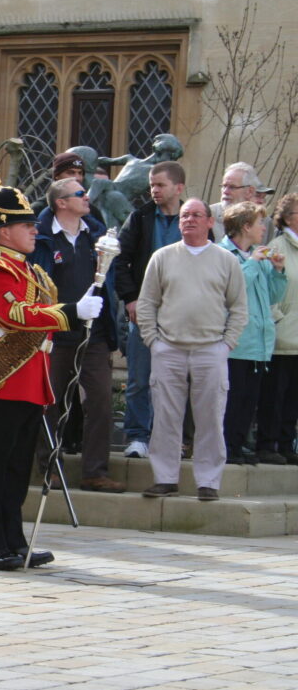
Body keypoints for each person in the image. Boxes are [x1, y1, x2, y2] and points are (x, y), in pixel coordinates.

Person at [0, 183, 103, 571]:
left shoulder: (33, 270)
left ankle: (14, 541)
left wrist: (79, 306)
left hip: (30, 376)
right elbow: (16, 316)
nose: (33, 231)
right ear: (4, 230)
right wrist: (71, 311)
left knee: (16, 468)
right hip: (3, 375)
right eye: (26, 226)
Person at [137, 199, 248, 501]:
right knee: (165, 416)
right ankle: (165, 477)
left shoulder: (226, 260)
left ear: (210, 222)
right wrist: (153, 342)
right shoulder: (162, 257)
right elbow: (147, 304)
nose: (189, 220)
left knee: (210, 417)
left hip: (210, 349)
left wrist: (227, 344)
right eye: (185, 215)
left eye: (197, 215)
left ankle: (209, 481)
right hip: (168, 348)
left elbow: (238, 307)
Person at [28, 179, 124, 493]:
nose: (87, 198)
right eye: (80, 194)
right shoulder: (41, 237)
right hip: (53, 333)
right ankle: (49, 468)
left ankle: (95, 471)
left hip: (93, 335)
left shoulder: (96, 234)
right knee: (50, 403)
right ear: (61, 203)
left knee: (100, 400)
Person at [112, 160, 186, 459]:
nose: (154, 190)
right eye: (152, 185)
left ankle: (167, 437)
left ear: (178, 188)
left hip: (183, 315)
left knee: (175, 382)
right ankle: (138, 436)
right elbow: (120, 260)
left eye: (160, 185)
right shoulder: (140, 218)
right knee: (140, 378)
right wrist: (130, 298)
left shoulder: (193, 219)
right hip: (145, 312)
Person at [217, 202, 286, 464]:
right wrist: (252, 264)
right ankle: (226, 447)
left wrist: (278, 271)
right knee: (232, 398)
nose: (263, 229)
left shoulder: (257, 255)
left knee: (248, 399)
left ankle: (237, 444)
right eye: (259, 223)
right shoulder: (223, 253)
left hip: (258, 342)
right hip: (236, 341)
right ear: (245, 226)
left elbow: (273, 297)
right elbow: (232, 290)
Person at [259, 192, 298, 464]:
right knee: (274, 395)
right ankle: (266, 445)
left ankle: (286, 444)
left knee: (293, 398)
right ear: (286, 218)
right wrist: (278, 319)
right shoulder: (275, 246)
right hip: (282, 338)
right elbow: (266, 289)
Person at [213, 162, 262, 242]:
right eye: (224, 186)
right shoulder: (208, 215)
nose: (225, 191)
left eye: (232, 187)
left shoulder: (262, 221)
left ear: (249, 191)